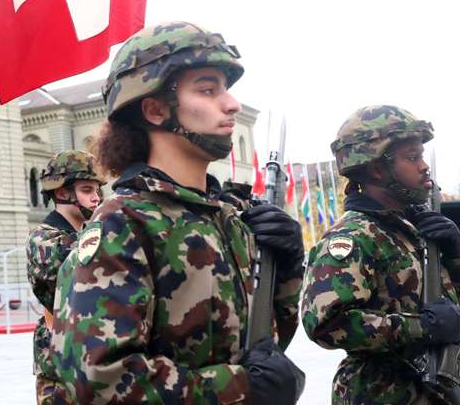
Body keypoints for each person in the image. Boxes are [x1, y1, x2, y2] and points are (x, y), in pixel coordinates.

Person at [51, 22, 306, 405]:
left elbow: (260, 347)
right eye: (207, 89)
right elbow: (100, 382)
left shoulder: (228, 220)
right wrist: (241, 389)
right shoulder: (123, 223)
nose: (231, 104)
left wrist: (285, 268)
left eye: (226, 89)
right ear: (155, 110)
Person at [302, 105, 460, 404]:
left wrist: (456, 253)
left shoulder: (412, 231)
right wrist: (421, 328)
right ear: (376, 168)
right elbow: (326, 324)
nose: (424, 166)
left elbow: (455, 307)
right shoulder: (354, 236)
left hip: (434, 388)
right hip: (379, 393)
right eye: (412, 157)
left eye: (422, 156)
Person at [27, 149, 104, 403]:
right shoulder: (43, 238)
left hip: (94, 359)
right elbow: (80, 258)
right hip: (60, 367)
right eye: (87, 190)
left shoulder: (92, 230)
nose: (96, 199)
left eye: (97, 191)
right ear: (62, 192)